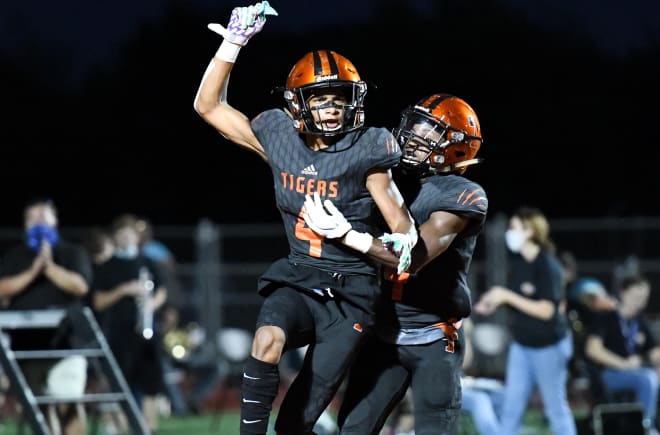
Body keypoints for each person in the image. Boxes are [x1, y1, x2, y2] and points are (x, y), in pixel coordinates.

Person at [192, 3, 418, 434]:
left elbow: (407, 243)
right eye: (321, 99)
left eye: (340, 100)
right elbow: (209, 106)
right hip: (300, 276)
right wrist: (232, 44)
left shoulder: (369, 151)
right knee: (267, 339)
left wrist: (351, 236)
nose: (332, 110)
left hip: (353, 291)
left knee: (295, 422)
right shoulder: (278, 138)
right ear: (298, 105)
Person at [303, 93, 487, 434]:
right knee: (353, 428)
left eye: (430, 131)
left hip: (433, 336)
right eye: (415, 125)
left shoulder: (463, 194)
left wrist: (347, 235)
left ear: (458, 145)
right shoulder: (388, 177)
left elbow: (412, 259)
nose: (415, 135)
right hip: (381, 331)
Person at [473, 206, 577, 435]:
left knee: (555, 410)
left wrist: (506, 295)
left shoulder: (548, 266)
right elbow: (518, 298)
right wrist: (493, 301)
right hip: (522, 345)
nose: (510, 232)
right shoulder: (519, 262)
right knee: (511, 409)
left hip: (549, 347)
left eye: (514, 228)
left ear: (529, 231)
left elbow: (547, 311)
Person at [0, 198, 93, 435]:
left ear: (55, 220)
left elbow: (80, 286)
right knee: (38, 408)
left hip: (67, 344)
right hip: (26, 345)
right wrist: (33, 270)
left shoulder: (72, 252)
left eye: (43, 217)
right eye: (32, 218)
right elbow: (3, 289)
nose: (37, 223)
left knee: (68, 402)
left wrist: (49, 267)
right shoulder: (15, 256)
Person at [91, 213, 168, 433]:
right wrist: (124, 290)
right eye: (121, 235)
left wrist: (151, 305)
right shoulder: (107, 266)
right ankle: (116, 427)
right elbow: (98, 301)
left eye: (129, 234)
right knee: (117, 383)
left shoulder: (147, 261)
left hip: (146, 333)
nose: (125, 239)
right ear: (115, 238)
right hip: (119, 335)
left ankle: (148, 428)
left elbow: (162, 290)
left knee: (151, 384)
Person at [584, 274, 660, 434]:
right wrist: (623, 364)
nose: (639, 301)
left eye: (643, 297)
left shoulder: (639, 321)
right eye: (636, 296)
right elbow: (592, 349)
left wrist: (653, 362)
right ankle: (647, 427)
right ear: (623, 293)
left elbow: (654, 353)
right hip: (608, 374)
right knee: (648, 378)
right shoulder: (606, 317)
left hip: (636, 372)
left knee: (651, 375)